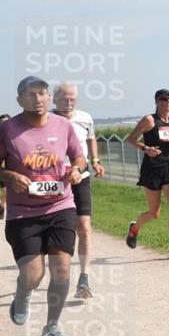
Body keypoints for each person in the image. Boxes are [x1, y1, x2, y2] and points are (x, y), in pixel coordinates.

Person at [0, 77, 87, 336]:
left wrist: (76, 170)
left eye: (42, 94)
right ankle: (24, 293)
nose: (38, 99)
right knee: (32, 274)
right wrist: (8, 175)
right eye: (31, 94)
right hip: (23, 213)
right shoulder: (8, 129)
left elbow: (79, 157)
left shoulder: (63, 126)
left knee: (62, 270)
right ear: (19, 100)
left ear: (49, 98)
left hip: (60, 206)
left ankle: (51, 328)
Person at [53, 83, 105, 299]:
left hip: (80, 178)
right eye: (64, 98)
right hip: (55, 181)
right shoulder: (47, 120)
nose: (69, 102)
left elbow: (91, 138)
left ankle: (84, 277)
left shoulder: (85, 118)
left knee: (84, 226)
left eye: (72, 98)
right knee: (57, 230)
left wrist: (95, 160)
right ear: (55, 99)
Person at [125, 89, 169, 259]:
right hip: (151, 170)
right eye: (163, 99)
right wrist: (145, 148)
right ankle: (134, 228)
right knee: (154, 213)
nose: (167, 102)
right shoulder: (149, 120)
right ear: (156, 102)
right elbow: (131, 139)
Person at [0, 114, 10, 219]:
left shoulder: (17, 135)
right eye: (2, 122)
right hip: (1, 169)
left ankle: (3, 205)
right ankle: (2, 206)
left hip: (14, 168)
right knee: (5, 191)